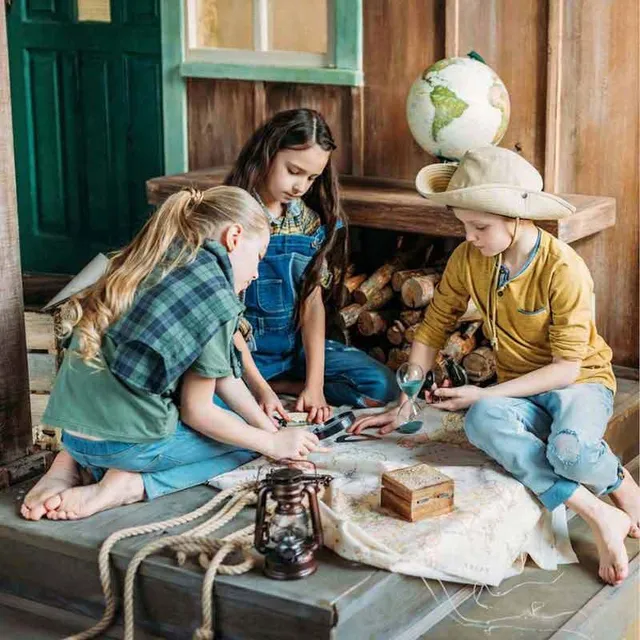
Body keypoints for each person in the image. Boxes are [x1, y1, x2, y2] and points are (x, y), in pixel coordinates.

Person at [349, 146, 640, 586]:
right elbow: (434, 326)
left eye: (480, 227)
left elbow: (565, 370)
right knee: (481, 421)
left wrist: (485, 392)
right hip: (517, 390)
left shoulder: (564, 269)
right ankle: (597, 511)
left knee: (568, 451)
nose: (470, 238)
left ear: (517, 219)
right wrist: (406, 396)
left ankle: (621, 485)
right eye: (464, 226)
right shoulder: (470, 259)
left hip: (579, 383)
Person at [21, 186, 326, 521]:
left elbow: (222, 376)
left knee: (243, 423)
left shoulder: (151, 260)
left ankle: (67, 466)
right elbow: (198, 413)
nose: (256, 273)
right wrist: (270, 444)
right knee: (244, 444)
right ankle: (129, 486)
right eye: (259, 257)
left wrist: (270, 429)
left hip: (75, 433)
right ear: (235, 237)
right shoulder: (213, 292)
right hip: (124, 448)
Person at [225, 108, 398, 424]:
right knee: (199, 400)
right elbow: (222, 316)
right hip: (238, 354)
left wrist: (315, 386)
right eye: (293, 171)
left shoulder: (308, 222)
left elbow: (312, 303)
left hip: (293, 354)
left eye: (311, 177)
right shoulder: (228, 216)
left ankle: (288, 386)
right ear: (268, 152)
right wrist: (258, 386)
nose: (300, 186)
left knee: (383, 386)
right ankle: (268, 389)